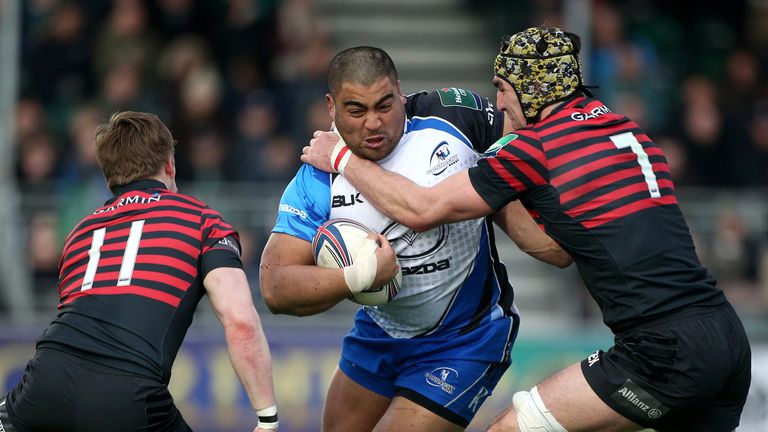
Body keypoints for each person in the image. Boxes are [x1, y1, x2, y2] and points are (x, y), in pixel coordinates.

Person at [300, 28, 752, 432]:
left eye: (502, 88)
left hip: (660, 349)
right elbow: (554, 248)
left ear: (532, 89)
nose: (497, 103)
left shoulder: (535, 148)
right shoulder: (624, 129)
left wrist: (342, 157)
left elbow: (421, 209)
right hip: (727, 336)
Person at [259, 46, 571, 432]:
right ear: (331, 106)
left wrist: (503, 198)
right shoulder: (317, 176)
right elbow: (275, 286)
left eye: (385, 105)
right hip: (381, 331)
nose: (373, 122)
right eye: (356, 110)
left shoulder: (455, 119)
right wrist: (360, 276)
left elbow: (531, 143)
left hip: (466, 337)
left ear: (400, 92)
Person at [0, 111, 279, 432]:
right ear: (170, 165)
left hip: (44, 383)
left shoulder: (80, 232)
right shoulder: (203, 221)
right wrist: (266, 418)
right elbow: (240, 321)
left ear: (110, 176)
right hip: (129, 394)